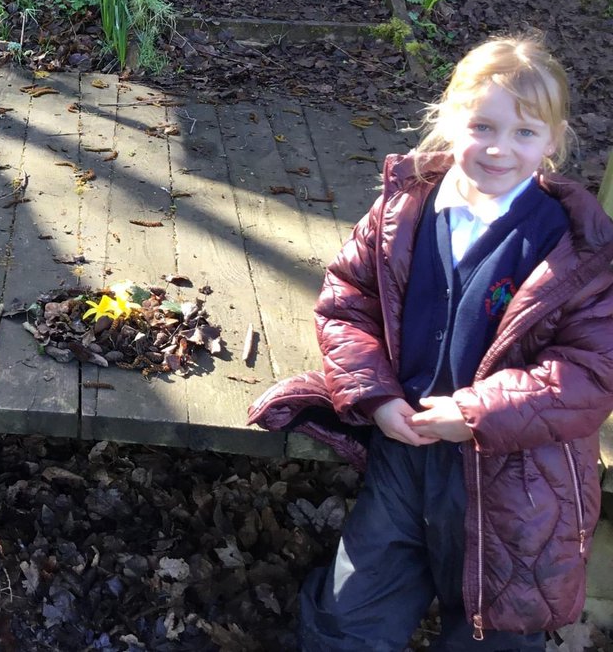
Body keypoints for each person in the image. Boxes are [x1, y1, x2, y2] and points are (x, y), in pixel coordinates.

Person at [248, 36, 613, 650]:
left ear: (553, 141)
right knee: (348, 618)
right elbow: (347, 302)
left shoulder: (577, 248)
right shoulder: (404, 211)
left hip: (516, 480)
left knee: (492, 630)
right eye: (482, 126)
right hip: (404, 452)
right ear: (448, 120)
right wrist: (375, 395)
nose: (499, 149)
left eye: (525, 134)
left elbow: (590, 371)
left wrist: (474, 415)